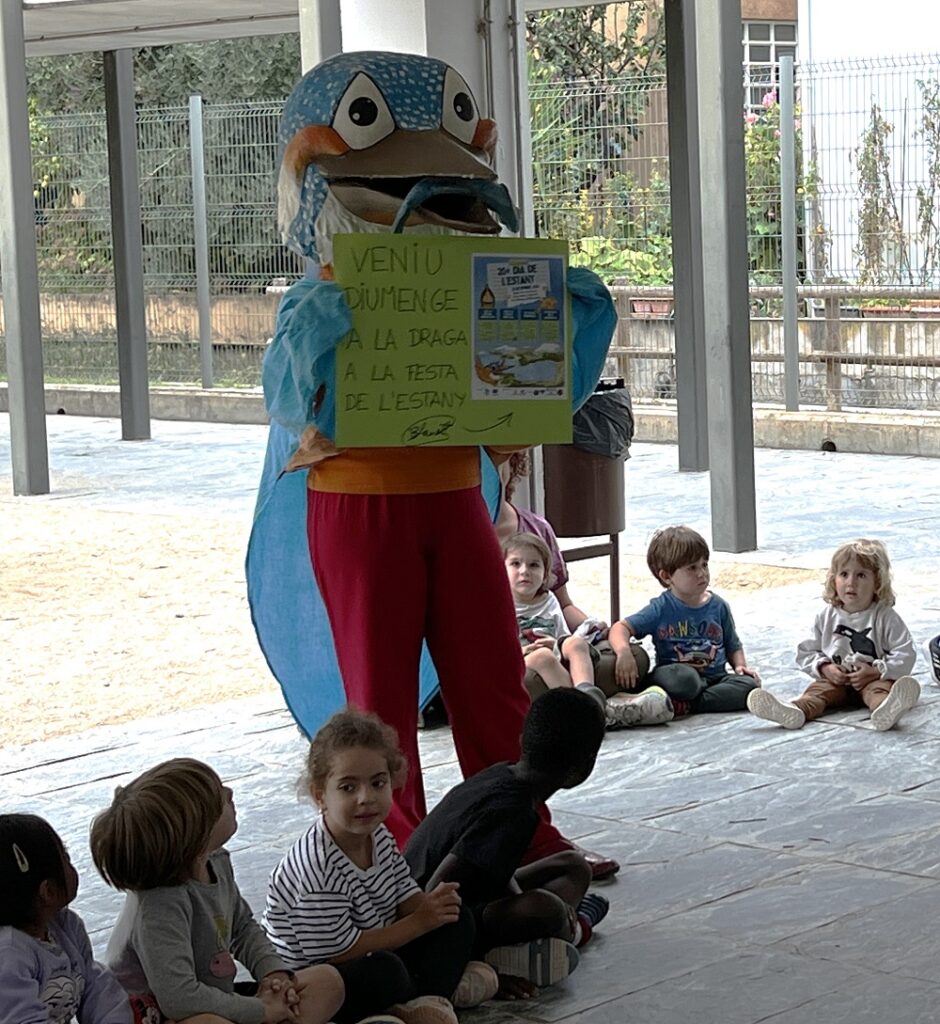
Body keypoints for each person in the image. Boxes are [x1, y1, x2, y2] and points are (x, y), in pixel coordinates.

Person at [248, 51, 618, 871]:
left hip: (454, 497)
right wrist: (321, 331)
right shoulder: (317, 297)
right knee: (378, 699)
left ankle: (522, 832)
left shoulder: (486, 281)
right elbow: (291, 404)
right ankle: (395, 854)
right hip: (357, 505)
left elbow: (524, 407)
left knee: (491, 679)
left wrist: (560, 319)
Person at [263, 709, 495, 1024]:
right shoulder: (317, 867)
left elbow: (404, 894)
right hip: (324, 977)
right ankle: (425, 995)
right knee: (384, 971)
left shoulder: (378, 835)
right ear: (321, 796)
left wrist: (434, 909)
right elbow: (340, 952)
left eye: (377, 783)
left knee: (457, 919)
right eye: (348, 787)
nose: (366, 798)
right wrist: (420, 923)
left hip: (377, 943)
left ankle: (426, 998)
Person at [90, 758, 344, 1024]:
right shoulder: (158, 908)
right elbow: (179, 999)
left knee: (326, 982)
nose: (229, 793)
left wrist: (273, 974)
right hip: (160, 1016)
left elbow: (242, 928)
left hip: (211, 999)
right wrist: (261, 1010)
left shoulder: (216, 861)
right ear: (195, 836)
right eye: (218, 796)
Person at [404, 689, 610, 1001]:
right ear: (582, 770)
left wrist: (514, 899)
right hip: (424, 920)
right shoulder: (513, 813)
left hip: (459, 902)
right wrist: (466, 966)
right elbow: (435, 893)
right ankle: (576, 929)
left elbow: (489, 868)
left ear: (522, 740)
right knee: (546, 909)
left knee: (574, 865)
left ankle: (553, 933)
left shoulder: (503, 774)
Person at [504, 531, 673, 729]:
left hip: (554, 657)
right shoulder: (500, 604)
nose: (524, 571)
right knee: (543, 657)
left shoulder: (548, 600)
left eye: (534, 565)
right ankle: (589, 712)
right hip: (521, 660)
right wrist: (524, 651)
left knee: (576, 643)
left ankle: (588, 696)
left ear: (545, 575)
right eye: (515, 564)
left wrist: (564, 640)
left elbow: (563, 636)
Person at [748, 538, 920, 730]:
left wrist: (877, 671)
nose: (851, 582)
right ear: (833, 579)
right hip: (834, 681)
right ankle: (794, 711)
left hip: (874, 681)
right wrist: (825, 668)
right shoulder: (826, 616)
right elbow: (806, 652)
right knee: (816, 693)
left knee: (879, 693)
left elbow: (905, 653)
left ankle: (887, 710)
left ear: (877, 582)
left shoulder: (885, 616)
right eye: (844, 574)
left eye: (861, 575)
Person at [609, 525, 761, 716]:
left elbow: (733, 644)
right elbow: (621, 627)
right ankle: (673, 697)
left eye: (704, 564)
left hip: (715, 680)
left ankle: (685, 706)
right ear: (667, 576)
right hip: (678, 677)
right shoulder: (661, 608)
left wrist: (740, 667)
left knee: (749, 686)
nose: (702, 573)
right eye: (692, 568)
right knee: (686, 680)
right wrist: (624, 652)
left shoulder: (719, 606)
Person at [0, 814, 132, 1024]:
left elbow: (96, 989)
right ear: (48, 891)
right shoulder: (9, 955)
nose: (72, 867)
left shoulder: (67, 927)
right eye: (66, 858)